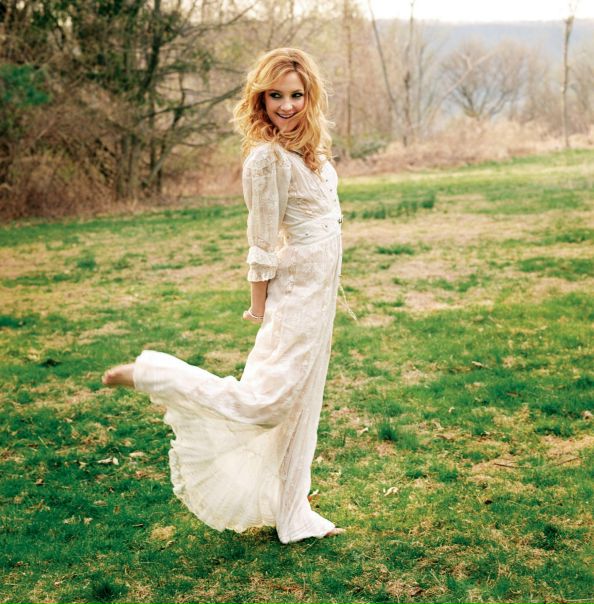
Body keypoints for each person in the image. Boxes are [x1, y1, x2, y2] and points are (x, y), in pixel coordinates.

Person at [102, 47, 346, 544]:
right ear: (260, 99)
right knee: (268, 403)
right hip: (297, 289)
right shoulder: (265, 158)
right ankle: (154, 373)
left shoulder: (309, 146)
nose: (286, 105)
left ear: (310, 96)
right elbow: (262, 239)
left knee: (304, 404)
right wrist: (259, 303)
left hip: (320, 291)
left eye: (296, 95)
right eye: (275, 95)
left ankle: (293, 512)